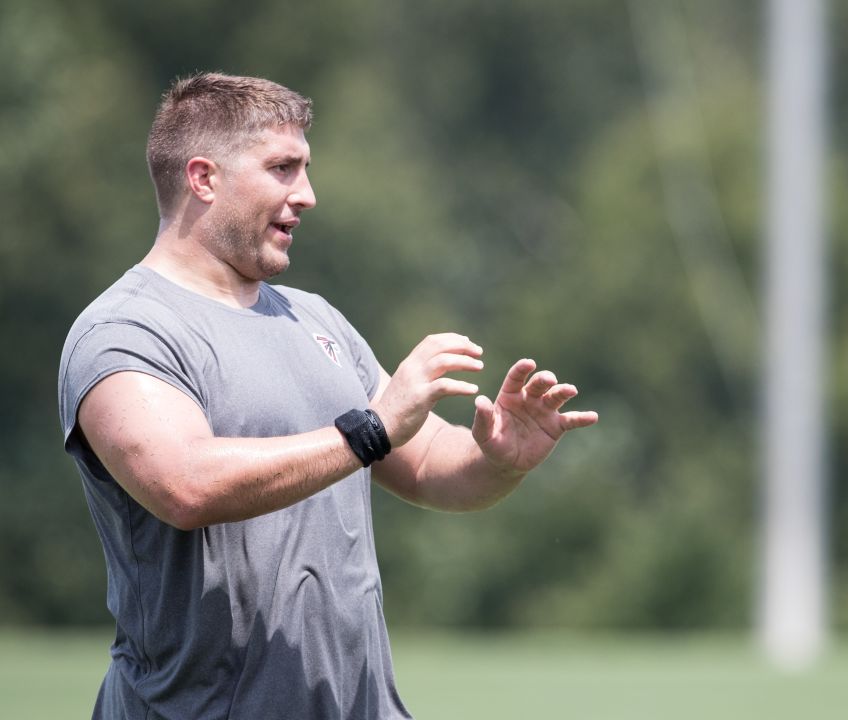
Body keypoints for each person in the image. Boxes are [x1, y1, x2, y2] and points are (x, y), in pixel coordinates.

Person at [57, 72, 598, 719]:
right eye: (282, 169)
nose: (307, 195)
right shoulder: (125, 331)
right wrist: (369, 428)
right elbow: (184, 485)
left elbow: (426, 467)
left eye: (305, 168)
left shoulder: (315, 320)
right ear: (203, 178)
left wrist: (500, 461)